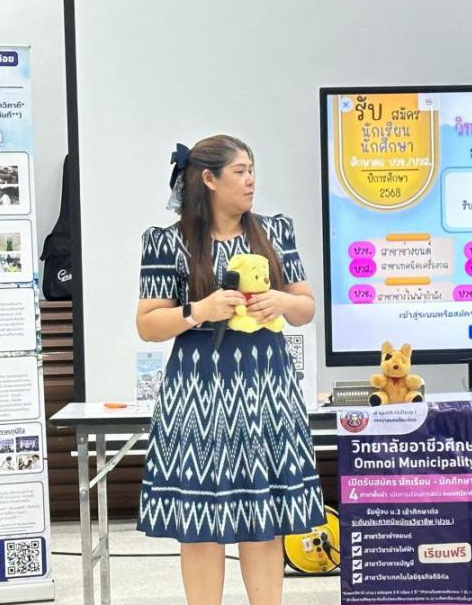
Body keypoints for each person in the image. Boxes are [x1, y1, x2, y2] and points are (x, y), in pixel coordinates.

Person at [135, 135, 325, 605]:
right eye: (240, 171)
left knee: (265, 518)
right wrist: (199, 310)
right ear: (209, 179)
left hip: (267, 389)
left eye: (252, 170)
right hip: (198, 395)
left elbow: (305, 308)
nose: (251, 180)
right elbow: (147, 324)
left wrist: (280, 301)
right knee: (201, 522)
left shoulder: (275, 232)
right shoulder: (168, 241)